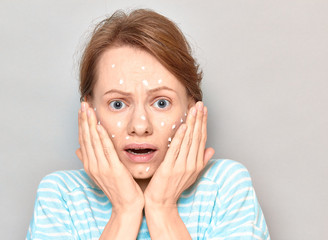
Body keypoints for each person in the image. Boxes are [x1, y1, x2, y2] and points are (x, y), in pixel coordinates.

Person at [26, 9, 270, 240]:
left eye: (161, 103)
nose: (140, 126)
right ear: (88, 110)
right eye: (118, 104)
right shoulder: (61, 196)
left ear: (192, 108)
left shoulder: (225, 188)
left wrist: (163, 208)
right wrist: (125, 210)